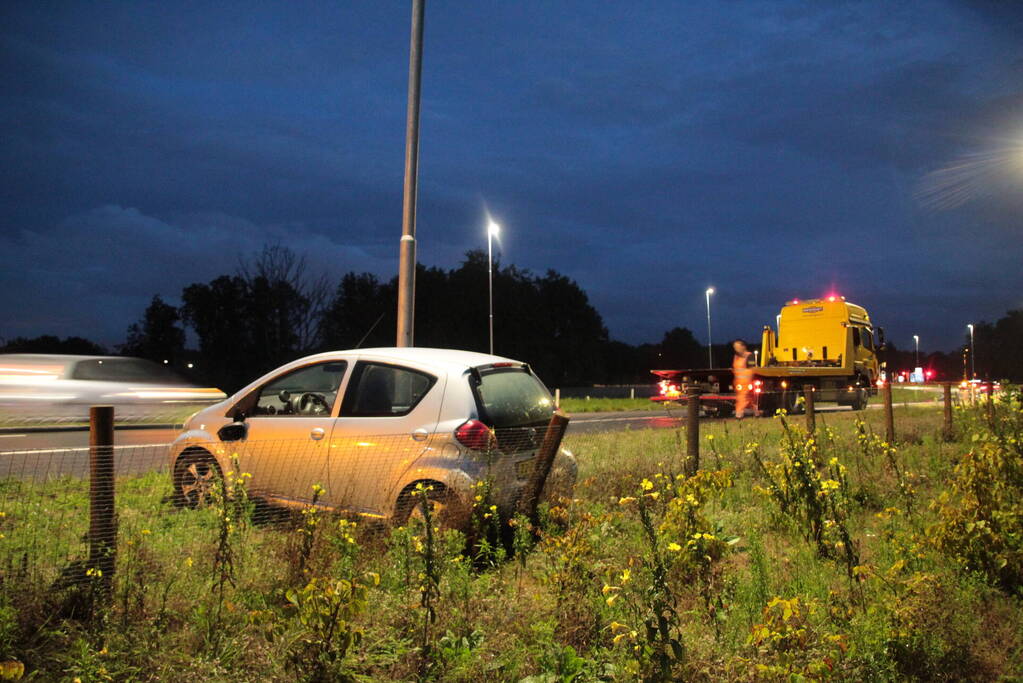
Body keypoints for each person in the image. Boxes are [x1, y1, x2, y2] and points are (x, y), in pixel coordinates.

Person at [732, 339, 755, 419]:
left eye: (737, 347)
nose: (736, 349)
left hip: (746, 382)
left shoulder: (749, 356)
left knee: (742, 398)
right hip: (738, 382)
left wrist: (750, 382)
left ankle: (739, 414)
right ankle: (756, 412)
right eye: (735, 347)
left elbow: (752, 369)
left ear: (743, 347)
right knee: (748, 399)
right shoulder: (736, 357)